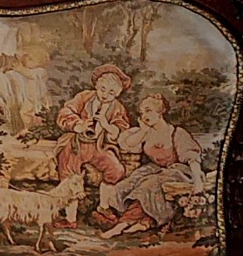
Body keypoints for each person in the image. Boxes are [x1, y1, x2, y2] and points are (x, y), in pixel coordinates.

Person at [97, 92, 207, 235]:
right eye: (142, 112)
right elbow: (127, 143)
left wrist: (198, 182)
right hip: (155, 169)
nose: (144, 116)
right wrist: (143, 130)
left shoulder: (176, 133)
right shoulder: (146, 132)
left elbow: (192, 158)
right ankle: (142, 222)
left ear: (160, 112)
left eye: (148, 110)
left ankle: (122, 225)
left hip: (180, 172)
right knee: (128, 184)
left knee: (149, 185)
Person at [55, 65, 133, 205]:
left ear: (117, 93)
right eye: (102, 89)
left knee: (116, 170)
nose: (105, 95)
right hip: (77, 145)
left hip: (99, 146)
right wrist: (79, 124)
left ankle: (104, 206)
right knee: (68, 170)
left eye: (111, 92)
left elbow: (122, 129)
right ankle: (69, 211)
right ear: (96, 85)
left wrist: (106, 125)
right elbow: (65, 111)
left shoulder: (117, 107)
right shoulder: (85, 97)